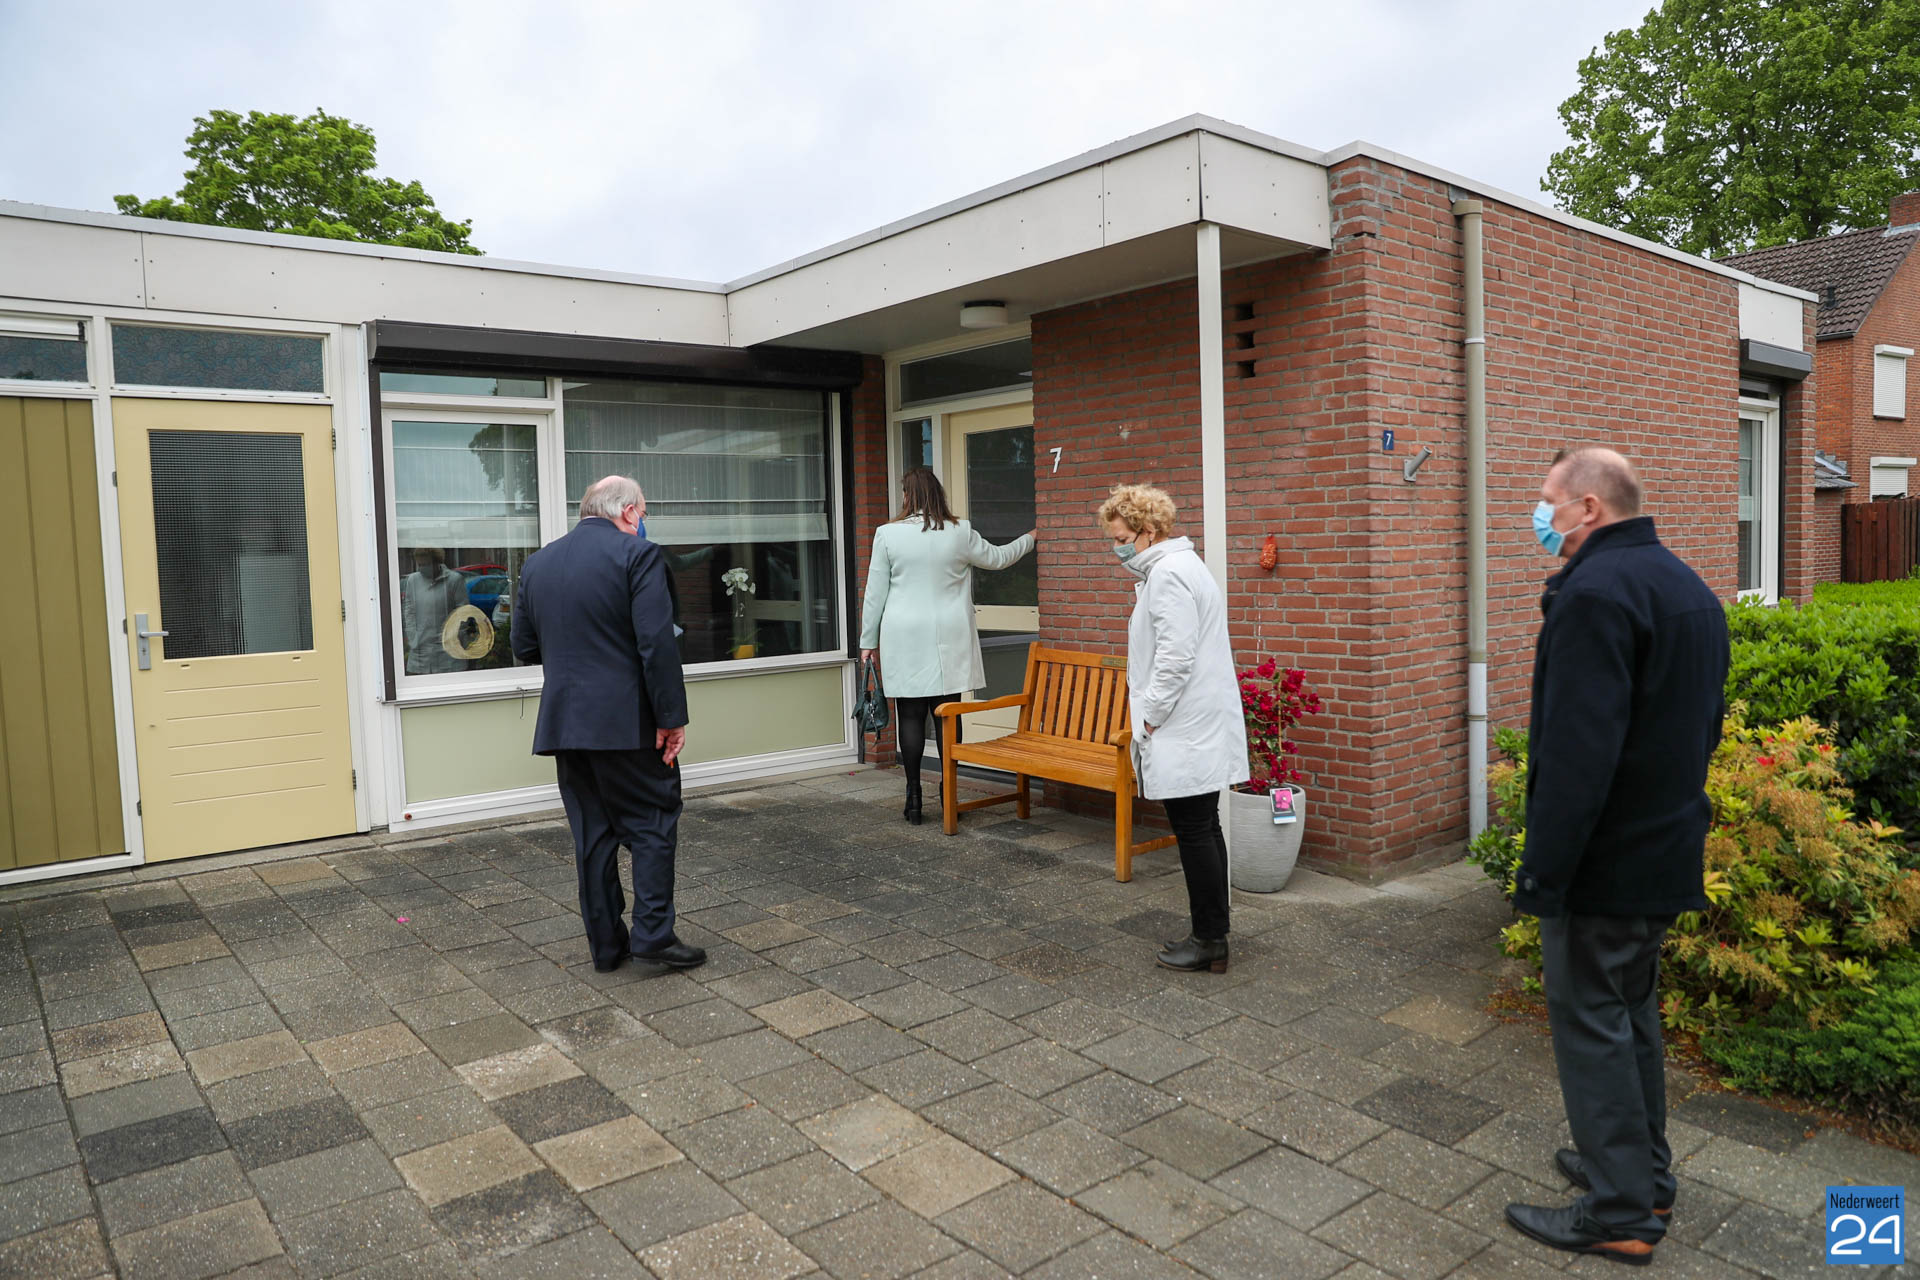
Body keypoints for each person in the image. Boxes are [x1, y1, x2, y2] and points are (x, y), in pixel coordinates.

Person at [1504, 447, 1728, 1267]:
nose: (1540, 515)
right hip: (1664, 847)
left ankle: (1621, 1214)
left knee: (1593, 1025)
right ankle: (1641, 1174)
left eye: (1547, 500)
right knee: (1630, 1015)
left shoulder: (1595, 595)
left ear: (1589, 508)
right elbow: (1704, 725)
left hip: (1605, 863)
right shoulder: (1686, 586)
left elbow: (1576, 756)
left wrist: (1545, 875)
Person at [511, 475, 703, 974]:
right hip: (628, 723)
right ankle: (654, 934)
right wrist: (671, 718)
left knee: (593, 835)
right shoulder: (639, 555)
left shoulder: (538, 563)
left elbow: (524, 646)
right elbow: (656, 643)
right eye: (643, 513)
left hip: (565, 725)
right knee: (653, 823)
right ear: (630, 512)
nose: (643, 522)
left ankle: (607, 947)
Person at [1100, 484, 1249, 973]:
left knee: (1194, 831)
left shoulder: (1167, 575)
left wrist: (1150, 718)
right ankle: (1213, 933)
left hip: (1183, 725)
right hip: (1196, 723)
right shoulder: (1182, 566)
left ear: (1147, 531)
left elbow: (1174, 657)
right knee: (1205, 827)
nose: (1117, 549)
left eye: (1122, 538)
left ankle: (1209, 940)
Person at [859, 467, 1035, 825]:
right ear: (937, 494)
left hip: (904, 634)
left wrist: (868, 642)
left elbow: (875, 593)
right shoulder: (960, 531)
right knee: (948, 714)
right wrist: (1030, 538)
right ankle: (948, 791)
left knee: (910, 714)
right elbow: (999, 558)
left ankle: (913, 796)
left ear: (908, 496)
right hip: (949, 636)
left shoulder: (888, 534)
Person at [400, 547, 471, 675]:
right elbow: (409, 611)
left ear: (437, 562)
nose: (422, 568)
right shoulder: (413, 580)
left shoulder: (454, 580)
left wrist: (453, 637)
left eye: (426, 564)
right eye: (419, 564)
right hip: (421, 651)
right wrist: (413, 638)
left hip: (449, 651)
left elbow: (462, 612)